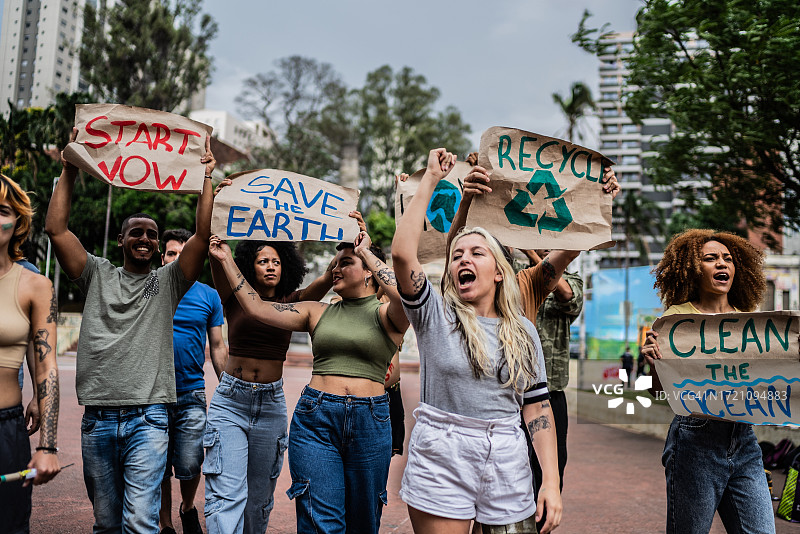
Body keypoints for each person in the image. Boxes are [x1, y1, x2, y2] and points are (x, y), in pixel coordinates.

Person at [45, 132, 216, 533]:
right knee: (106, 524)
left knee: (140, 522)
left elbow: (202, 237)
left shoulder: (168, 282)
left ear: (158, 247)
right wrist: (69, 169)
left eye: (152, 234)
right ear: (120, 240)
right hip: (98, 418)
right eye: (136, 232)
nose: (145, 238)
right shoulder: (97, 273)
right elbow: (56, 230)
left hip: (149, 418)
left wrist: (207, 177)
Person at [391, 148, 561, 534]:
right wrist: (431, 178)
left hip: (507, 459)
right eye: (457, 256)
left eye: (476, 253)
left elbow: (537, 408)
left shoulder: (523, 331)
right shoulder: (434, 314)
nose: (463, 259)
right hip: (441, 458)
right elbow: (402, 255)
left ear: (499, 271)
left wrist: (550, 482)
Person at [208, 227, 407, 534]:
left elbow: (406, 294)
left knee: (363, 520)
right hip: (316, 420)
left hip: (370, 422)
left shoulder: (387, 315)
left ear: (369, 271)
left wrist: (365, 251)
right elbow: (256, 307)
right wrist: (226, 259)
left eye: (345, 263)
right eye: (335, 263)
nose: (335, 269)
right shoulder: (316, 311)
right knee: (319, 522)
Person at [642, 229, 775, 534]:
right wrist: (654, 364)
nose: (722, 264)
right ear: (693, 268)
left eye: (728, 259)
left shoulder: (750, 321)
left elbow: (766, 382)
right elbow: (659, 391)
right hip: (695, 440)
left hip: (744, 439)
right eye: (710, 258)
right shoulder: (675, 320)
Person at [204, 234, 335, 534]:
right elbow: (216, 258)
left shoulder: (293, 301)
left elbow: (327, 278)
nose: (271, 266)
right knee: (226, 496)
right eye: (263, 261)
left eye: (276, 261)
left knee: (259, 499)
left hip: (270, 405)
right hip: (231, 402)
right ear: (249, 266)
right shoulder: (233, 296)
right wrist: (217, 245)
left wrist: (352, 241)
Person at [0, 174, 60, 533]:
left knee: (9, 524)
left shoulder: (35, 285)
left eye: (1, 211)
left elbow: (46, 366)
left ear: (18, 222)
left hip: (5, 431)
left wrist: (48, 446)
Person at [158, 228, 228, 534]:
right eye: (171, 253)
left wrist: (228, 388)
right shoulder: (151, 288)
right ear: (163, 258)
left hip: (192, 393)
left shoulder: (209, 295)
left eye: (184, 253)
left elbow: (218, 346)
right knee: (157, 466)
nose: (178, 258)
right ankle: (164, 524)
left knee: (190, 463)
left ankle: (187, 507)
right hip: (152, 394)